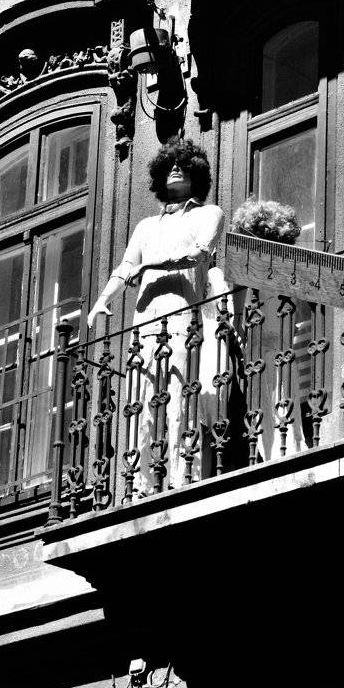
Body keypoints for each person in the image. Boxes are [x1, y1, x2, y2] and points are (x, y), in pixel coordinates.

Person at [88, 138, 230, 493]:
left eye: (183, 163)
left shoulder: (209, 214)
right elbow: (126, 266)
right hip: (144, 321)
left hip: (181, 317)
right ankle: (140, 485)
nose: (176, 168)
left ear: (196, 172)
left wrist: (150, 265)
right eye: (170, 164)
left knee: (181, 396)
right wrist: (103, 299)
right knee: (142, 399)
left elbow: (199, 253)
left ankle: (185, 475)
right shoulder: (146, 226)